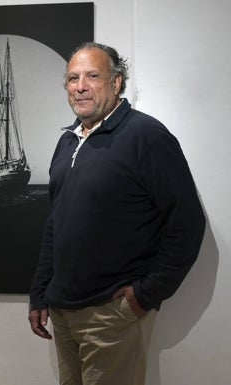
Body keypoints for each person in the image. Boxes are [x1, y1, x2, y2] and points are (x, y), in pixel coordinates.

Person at [28, 42, 205, 385]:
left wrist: (146, 294)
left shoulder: (146, 136)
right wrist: (40, 292)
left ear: (116, 82)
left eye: (93, 75)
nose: (80, 86)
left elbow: (187, 223)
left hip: (109, 315)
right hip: (62, 312)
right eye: (72, 78)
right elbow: (56, 224)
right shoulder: (67, 142)